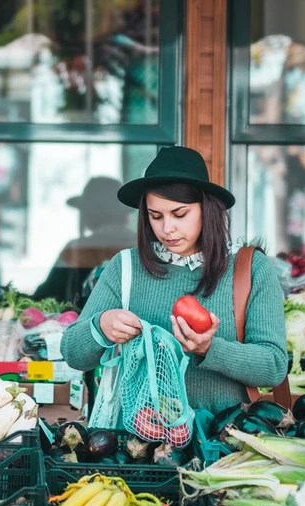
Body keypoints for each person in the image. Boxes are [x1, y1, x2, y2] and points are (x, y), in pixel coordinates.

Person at [60, 146, 288, 413]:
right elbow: (72, 353)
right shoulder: (124, 267)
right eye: (155, 216)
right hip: (139, 443)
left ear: (207, 209)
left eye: (180, 214)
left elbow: (273, 367)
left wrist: (209, 348)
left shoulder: (250, 269)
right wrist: (100, 327)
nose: (167, 229)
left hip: (222, 440)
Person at [33, 177, 136, 306]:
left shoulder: (76, 248)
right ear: (124, 214)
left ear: (88, 215)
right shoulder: (142, 246)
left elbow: (47, 294)